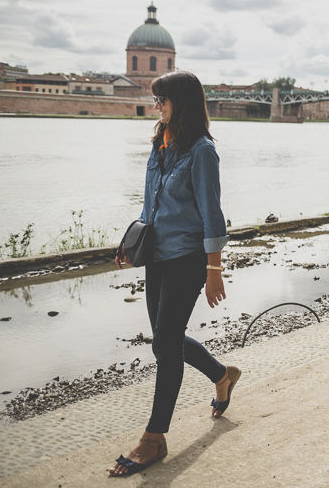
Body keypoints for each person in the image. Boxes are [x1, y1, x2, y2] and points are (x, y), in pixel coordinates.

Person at [108, 70, 238, 477]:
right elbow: (151, 203)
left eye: (161, 100)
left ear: (179, 101)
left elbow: (212, 213)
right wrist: (130, 241)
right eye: (154, 100)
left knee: (165, 342)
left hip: (187, 259)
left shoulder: (202, 151)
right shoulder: (161, 144)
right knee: (166, 340)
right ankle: (222, 374)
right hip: (157, 255)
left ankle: (154, 437)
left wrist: (214, 268)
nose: (156, 106)